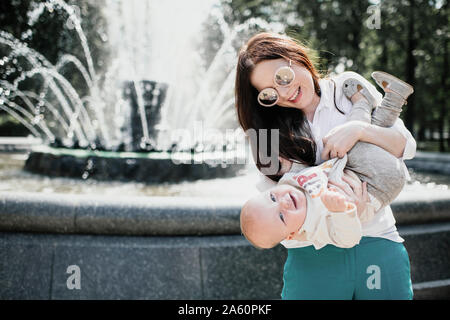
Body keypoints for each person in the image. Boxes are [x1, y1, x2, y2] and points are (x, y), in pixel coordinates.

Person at [235, 32, 416, 299]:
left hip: (376, 240)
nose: (285, 93)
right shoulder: (270, 132)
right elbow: (271, 205)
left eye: (282, 78)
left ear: (293, 57)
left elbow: (405, 146)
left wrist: (359, 130)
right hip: (312, 253)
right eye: (271, 94)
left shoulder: (349, 89)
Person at [240, 72, 414, 251]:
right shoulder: (314, 228)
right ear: (293, 234)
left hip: (358, 170)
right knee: (347, 144)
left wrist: (289, 165)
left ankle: (394, 98)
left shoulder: (289, 184)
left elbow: (303, 171)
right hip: (374, 186)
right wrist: (343, 213)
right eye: (282, 216)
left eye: (273, 197)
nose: (283, 203)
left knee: (347, 145)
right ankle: (362, 105)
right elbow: (348, 239)